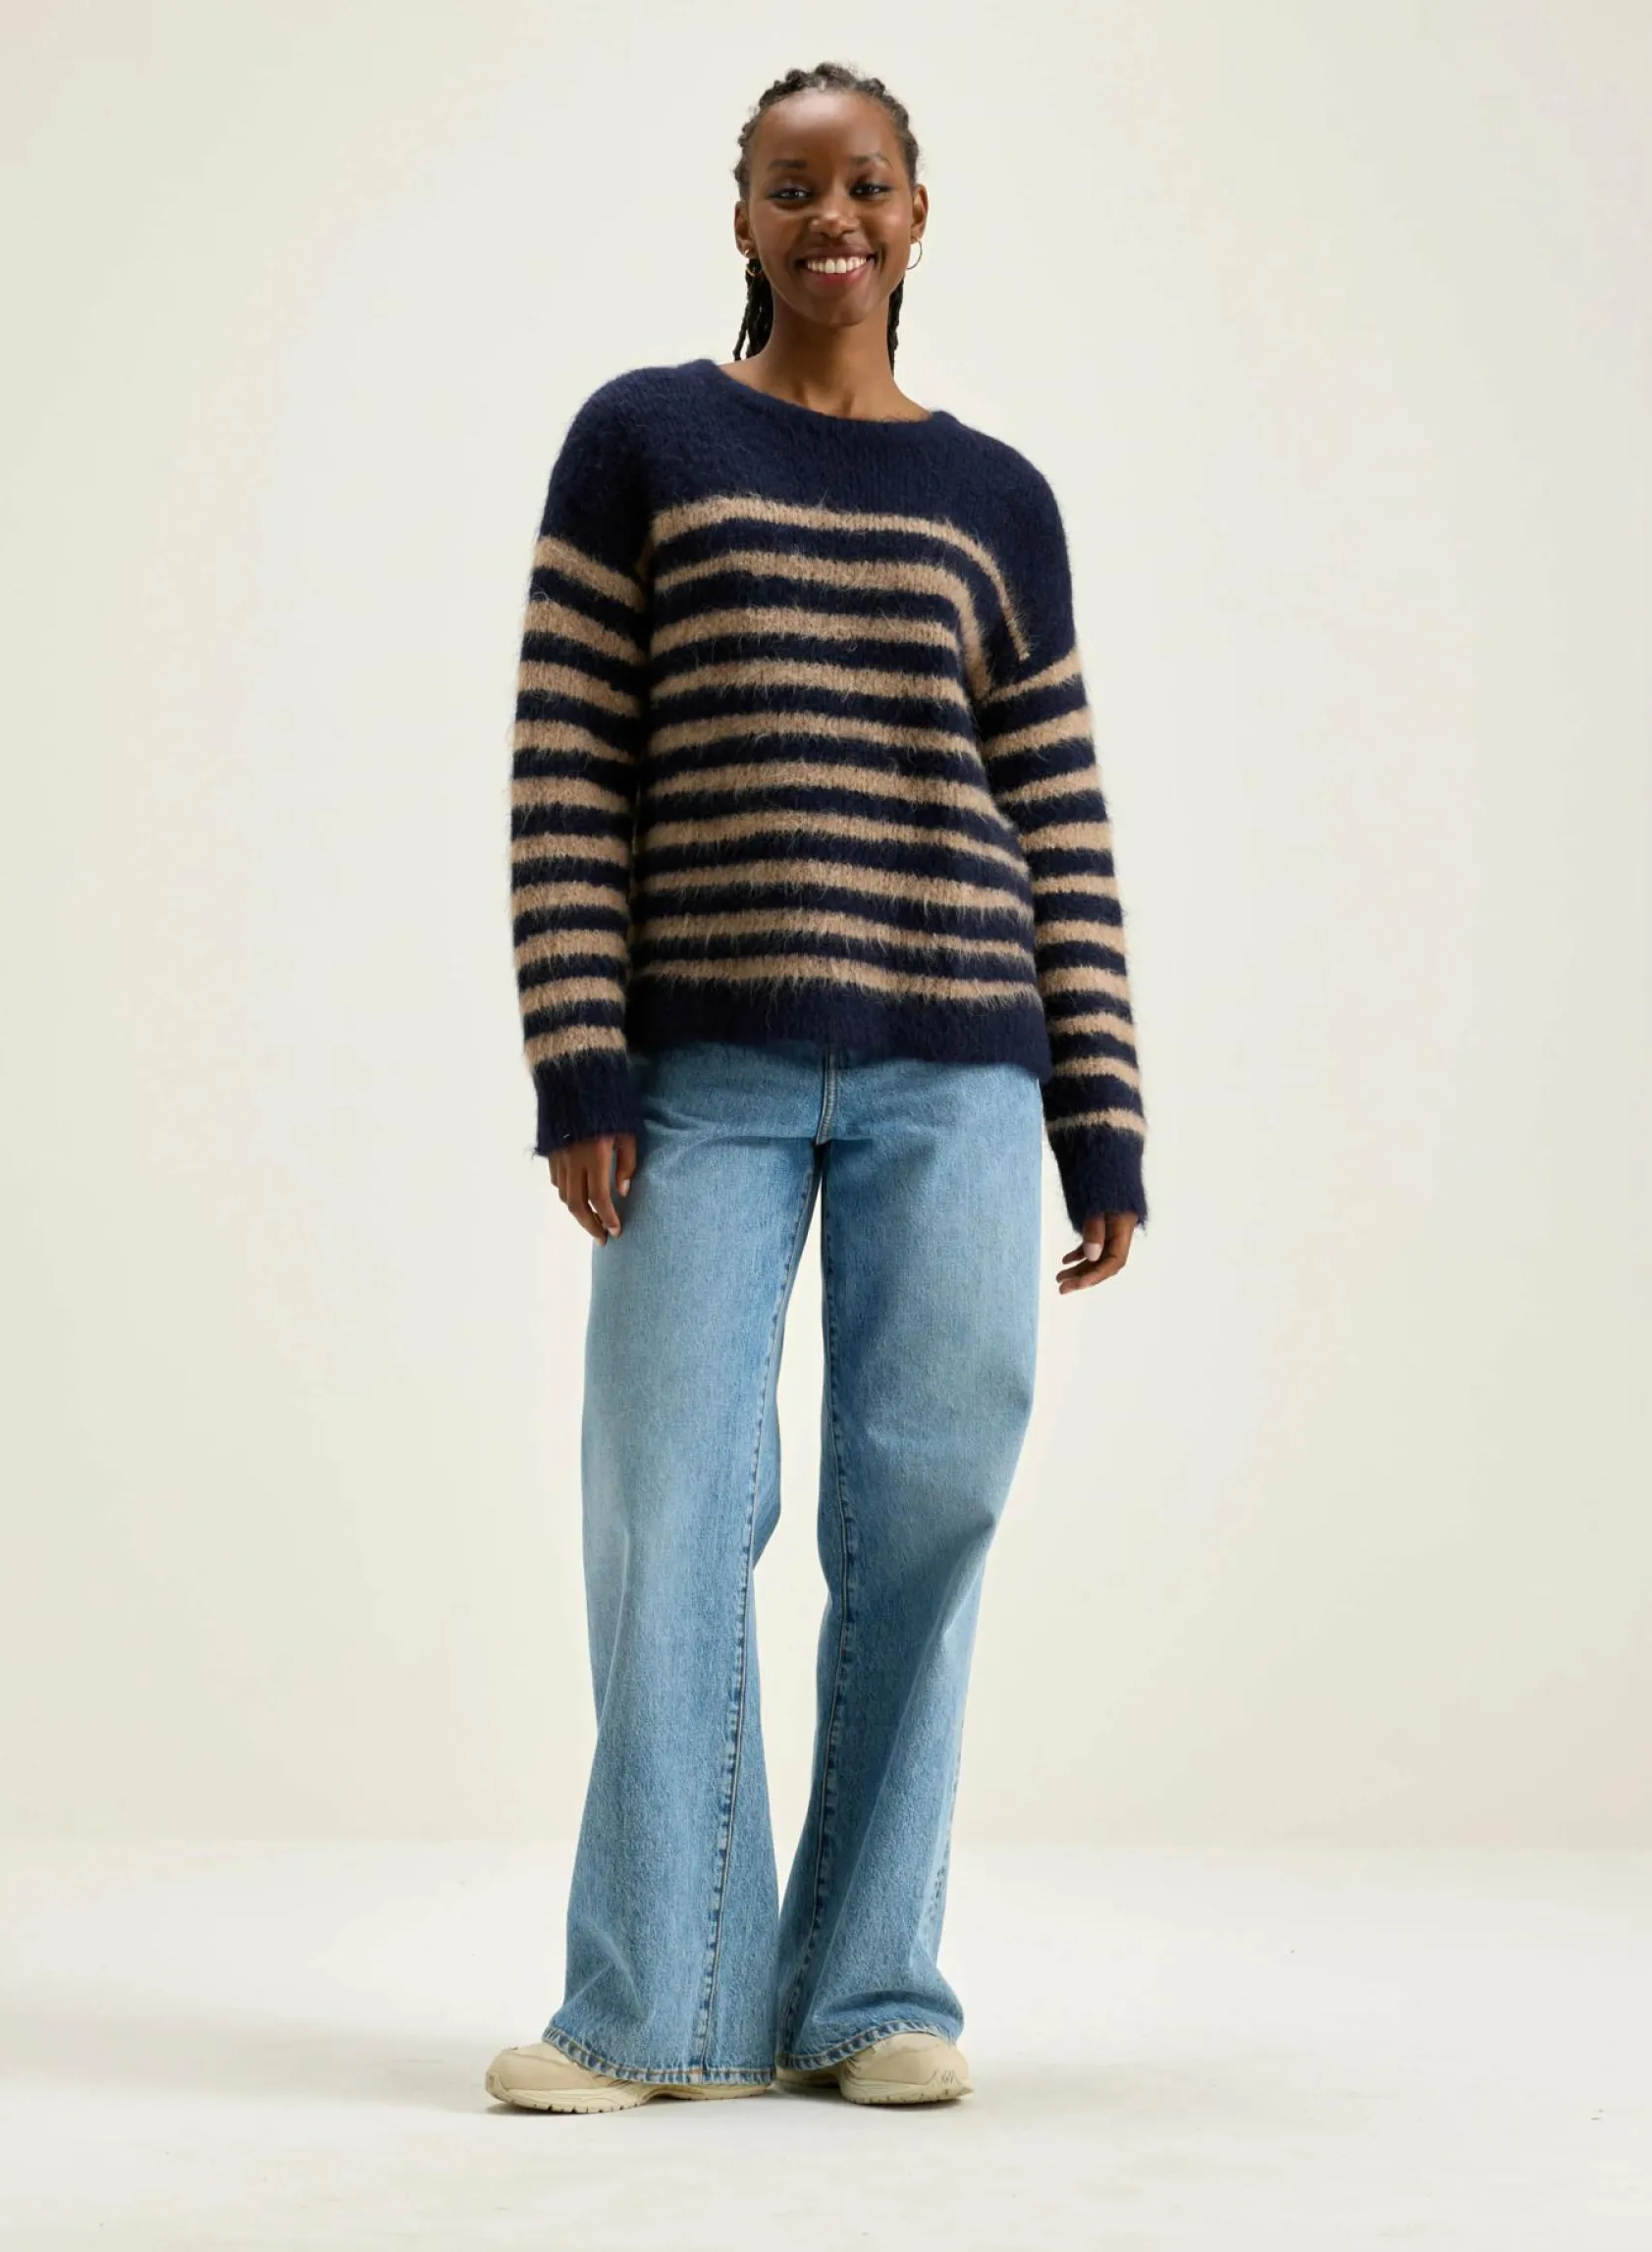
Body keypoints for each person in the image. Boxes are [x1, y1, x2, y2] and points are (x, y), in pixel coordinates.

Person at [485, 60, 1148, 2117]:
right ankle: (654, 2007)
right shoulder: (644, 440)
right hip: (702, 1071)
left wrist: (1100, 1113)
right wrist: (577, 1052)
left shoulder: (998, 498)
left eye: (864, 183)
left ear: (917, 214)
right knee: (669, 1504)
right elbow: (566, 762)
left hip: (962, 1074)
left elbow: (1057, 816)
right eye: (792, 186)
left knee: (923, 1516)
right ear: (744, 216)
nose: (830, 216)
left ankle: (870, 1991)